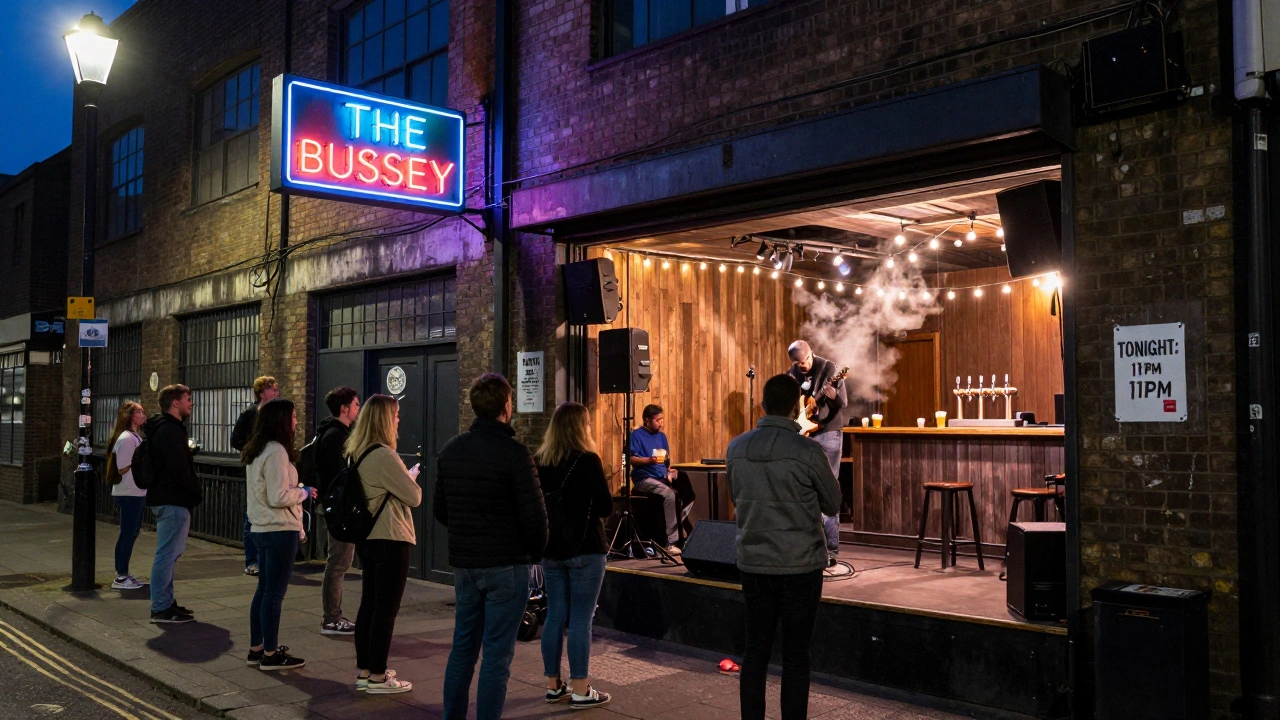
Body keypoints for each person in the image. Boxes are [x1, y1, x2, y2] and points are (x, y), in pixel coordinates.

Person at [726, 374, 841, 720]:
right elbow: (833, 504)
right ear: (795, 408)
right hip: (799, 566)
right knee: (796, 655)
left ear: (764, 404)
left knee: (755, 651)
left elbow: (737, 498)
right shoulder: (807, 450)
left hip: (754, 563)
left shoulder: (737, 447)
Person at [435, 374, 547, 720]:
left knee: (463, 648)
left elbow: (441, 510)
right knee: (497, 655)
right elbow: (535, 517)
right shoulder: (515, 453)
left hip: (467, 564)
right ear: (505, 406)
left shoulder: (452, 450)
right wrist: (534, 554)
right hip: (506, 566)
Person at [533, 402, 614, 710]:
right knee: (581, 618)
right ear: (582, 428)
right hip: (586, 549)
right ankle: (581, 689)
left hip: (551, 550)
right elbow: (606, 507)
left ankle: (553, 686)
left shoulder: (541, 461)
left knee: (554, 615)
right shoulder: (588, 460)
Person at [348, 394, 421, 694]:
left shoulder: (358, 452)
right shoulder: (384, 455)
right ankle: (379, 676)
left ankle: (366, 670)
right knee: (386, 610)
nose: (399, 419)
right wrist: (409, 476)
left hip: (368, 539)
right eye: (396, 415)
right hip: (390, 537)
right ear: (384, 420)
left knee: (369, 604)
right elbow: (414, 496)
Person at [242, 398, 314, 671]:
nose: (296, 421)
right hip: (278, 530)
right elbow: (278, 495)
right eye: (293, 416)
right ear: (281, 420)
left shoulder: (257, 450)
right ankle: (271, 655)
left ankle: (256, 649)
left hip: (261, 528)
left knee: (263, 591)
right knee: (273, 595)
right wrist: (304, 492)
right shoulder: (276, 452)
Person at [786, 340, 848, 565]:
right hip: (804, 434)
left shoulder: (830, 369)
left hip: (829, 434)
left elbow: (843, 402)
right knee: (803, 488)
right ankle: (810, 545)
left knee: (828, 488)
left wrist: (831, 396)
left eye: (804, 362)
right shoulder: (792, 373)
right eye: (797, 363)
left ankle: (831, 550)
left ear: (811, 354)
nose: (801, 367)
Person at [145, 384, 203, 624]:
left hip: (166, 499)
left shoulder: (162, 428)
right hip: (172, 500)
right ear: (176, 403)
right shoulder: (170, 431)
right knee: (167, 555)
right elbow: (179, 468)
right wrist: (194, 492)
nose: (191, 403)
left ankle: (167, 602)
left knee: (170, 554)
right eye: (188, 399)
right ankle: (160, 607)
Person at [314, 387, 360, 635]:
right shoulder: (336, 437)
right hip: (339, 509)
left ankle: (332, 616)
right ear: (344, 408)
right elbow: (339, 478)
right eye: (355, 404)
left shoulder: (332, 433)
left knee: (339, 562)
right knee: (338, 563)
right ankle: (331, 618)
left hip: (336, 506)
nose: (358, 408)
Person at [231, 375, 280, 577]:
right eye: (271, 388)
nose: (276, 391)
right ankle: (251, 560)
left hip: (272, 467)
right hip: (255, 467)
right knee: (251, 514)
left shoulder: (275, 414)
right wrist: (254, 451)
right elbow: (236, 440)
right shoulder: (250, 414)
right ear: (261, 393)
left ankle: (265, 557)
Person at [627, 404, 692, 553]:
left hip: (661, 475)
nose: (661, 423)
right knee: (669, 494)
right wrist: (650, 460)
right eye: (657, 420)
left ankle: (681, 523)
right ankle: (672, 541)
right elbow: (632, 459)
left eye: (662, 420)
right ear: (647, 420)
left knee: (685, 482)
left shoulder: (662, 436)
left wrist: (670, 471)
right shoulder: (635, 435)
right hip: (644, 478)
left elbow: (666, 460)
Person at [108, 401, 148, 591]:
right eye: (139, 411)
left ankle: (124, 574)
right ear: (130, 416)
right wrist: (141, 462)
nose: (143, 413)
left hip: (136, 491)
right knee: (127, 534)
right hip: (129, 492)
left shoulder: (134, 436)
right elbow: (122, 467)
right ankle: (121, 576)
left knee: (131, 533)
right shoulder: (127, 439)